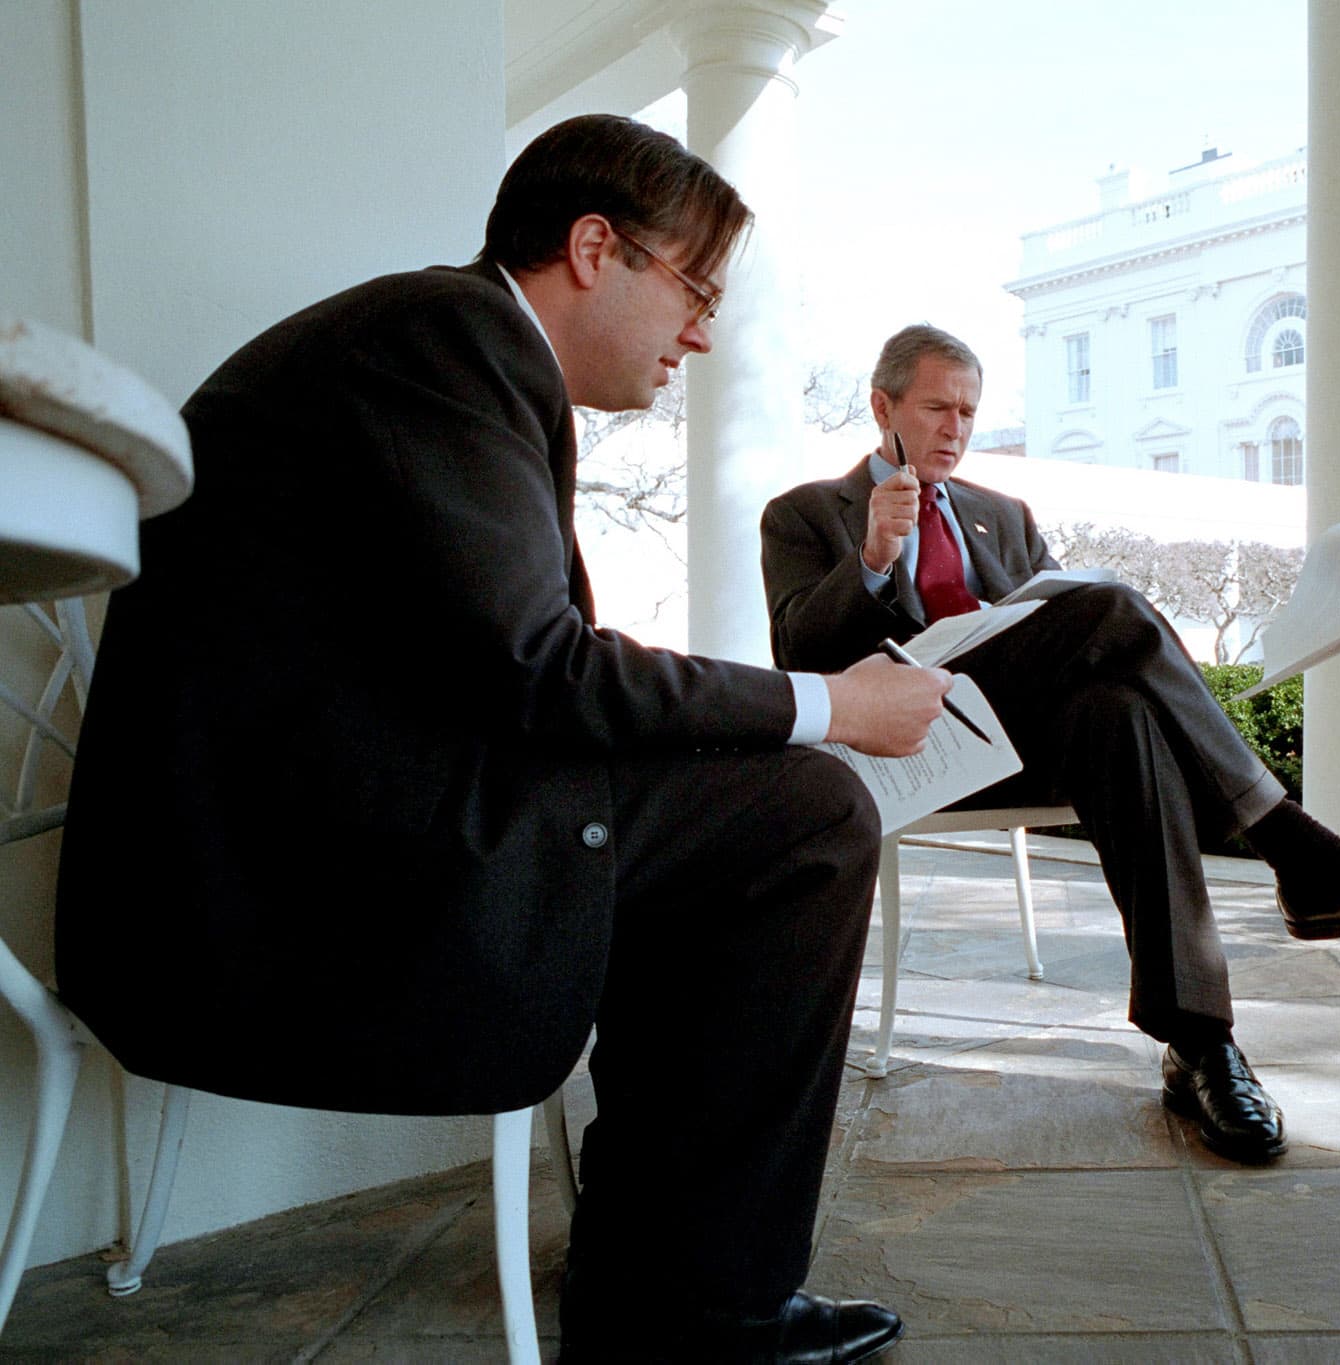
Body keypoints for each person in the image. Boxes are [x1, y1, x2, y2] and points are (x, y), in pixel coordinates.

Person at [55, 115, 951, 1362]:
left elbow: (497, 666)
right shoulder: (448, 340)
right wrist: (832, 707)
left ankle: (662, 1263)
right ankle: (699, 1305)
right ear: (595, 248)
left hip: (314, 827)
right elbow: (541, 668)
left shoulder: (437, 347)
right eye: (694, 289)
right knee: (805, 815)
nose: (701, 331)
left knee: (742, 802)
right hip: (277, 891)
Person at [760, 325, 1340, 1164]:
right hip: (906, 752)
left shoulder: (1004, 516)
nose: (955, 428)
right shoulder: (806, 514)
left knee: (1119, 713)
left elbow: (1058, 638)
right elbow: (799, 657)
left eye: (968, 410)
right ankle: (1295, 849)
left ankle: (1200, 1043)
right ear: (883, 406)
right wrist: (873, 556)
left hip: (1021, 744)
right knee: (1112, 607)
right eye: (936, 407)